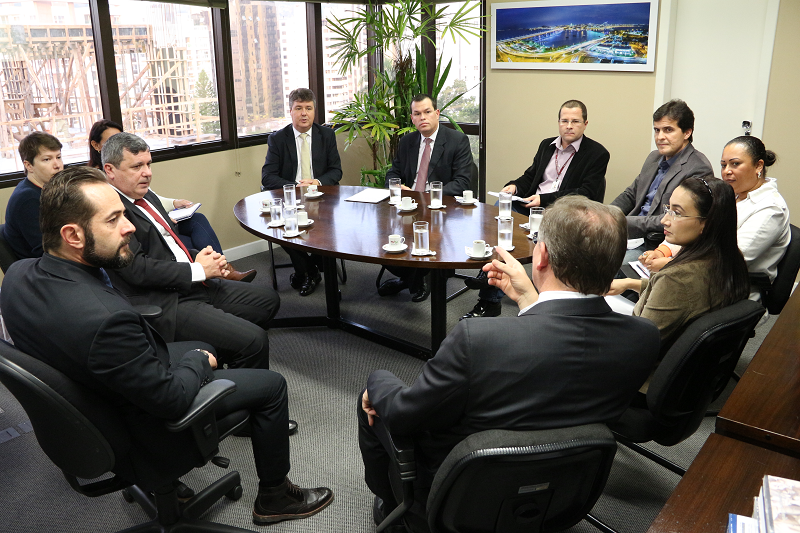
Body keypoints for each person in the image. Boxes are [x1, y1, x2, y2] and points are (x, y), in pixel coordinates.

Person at [0, 167, 333, 525]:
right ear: (73, 235)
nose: (128, 227)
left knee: (204, 342)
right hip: (137, 429)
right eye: (113, 220)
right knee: (269, 385)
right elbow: (171, 400)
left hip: (97, 399)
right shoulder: (108, 320)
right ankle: (275, 497)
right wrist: (196, 361)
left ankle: (172, 484)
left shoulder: (18, 276)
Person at [359, 196, 660, 532]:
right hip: (562, 490)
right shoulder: (644, 338)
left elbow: (403, 415)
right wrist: (529, 300)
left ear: (541, 255)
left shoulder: (477, 339)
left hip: (459, 496)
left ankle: (401, 509)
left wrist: (376, 381)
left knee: (373, 396)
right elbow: (565, 354)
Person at [100, 132, 281, 371]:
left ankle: (218, 346)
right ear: (110, 170)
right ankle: (233, 384)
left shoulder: (146, 195)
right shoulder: (112, 211)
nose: (147, 173)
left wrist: (198, 256)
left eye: (148, 164)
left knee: (268, 301)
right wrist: (197, 269)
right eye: (137, 166)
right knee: (254, 340)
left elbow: (167, 244)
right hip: (166, 301)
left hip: (191, 282)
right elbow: (137, 270)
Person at [461, 99, 610, 319]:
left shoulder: (597, 153)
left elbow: (586, 193)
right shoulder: (546, 145)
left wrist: (544, 199)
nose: (569, 126)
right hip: (532, 205)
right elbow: (531, 176)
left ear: (585, 123)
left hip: (562, 214)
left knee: (510, 238)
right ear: (558, 122)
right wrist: (514, 186)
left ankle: (489, 296)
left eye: (575, 121)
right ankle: (489, 276)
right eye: (564, 121)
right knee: (500, 213)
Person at [87, 119, 256, 282]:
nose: (147, 172)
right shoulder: (99, 184)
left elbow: (151, 197)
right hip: (146, 231)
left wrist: (173, 204)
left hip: (158, 215)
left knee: (198, 219)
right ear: (96, 146)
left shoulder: (137, 182)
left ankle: (221, 267)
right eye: (111, 140)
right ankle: (218, 270)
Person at [609, 177, 750, 356]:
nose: (664, 221)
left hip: (644, 373)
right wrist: (630, 283)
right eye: (668, 209)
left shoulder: (676, 278)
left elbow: (636, 345)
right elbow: (683, 300)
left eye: (677, 212)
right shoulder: (729, 257)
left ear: (706, 223)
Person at [641, 136, 790, 302]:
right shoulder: (730, 194)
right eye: (723, 165)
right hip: (692, 271)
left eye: (735, 164)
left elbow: (729, 258)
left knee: (648, 299)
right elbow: (687, 226)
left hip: (728, 290)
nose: (726, 171)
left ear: (758, 166)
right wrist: (662, 251)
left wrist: (670, 264)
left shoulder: (771, 209)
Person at [378, 94, 474, 302]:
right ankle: (413, 278)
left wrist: (427, 196)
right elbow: (392, 173)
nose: (423, 117)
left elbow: (462, 182)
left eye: (427, 112)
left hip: (441, 209)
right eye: (417, 114)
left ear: (437, 114)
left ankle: (414, 279)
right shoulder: (407, 142)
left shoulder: (457, 141)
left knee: (422, 236)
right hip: (407, 205)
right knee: (381, 237)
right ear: (412, 118)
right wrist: (396, 186)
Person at [261, 88, 342, 296]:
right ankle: (309, 270)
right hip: (291, 200)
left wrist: (316, 181)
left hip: (322, 198)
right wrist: (295, 186)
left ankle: (306, 270)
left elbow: (336, 171)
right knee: (284, 228)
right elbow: (267, 177)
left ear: (315, 111)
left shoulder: (327, 135)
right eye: (299, 108)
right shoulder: (278, 139)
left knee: (330, 226)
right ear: (290, 111)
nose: (304, 113)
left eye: (308, 108)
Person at [610, 99, 713, 263]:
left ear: (687, 133)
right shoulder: (654, 157)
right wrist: (607, 213)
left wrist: (621, 222)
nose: (660, 137)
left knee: (609, 265)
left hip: (656, 244)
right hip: (628, 235)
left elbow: (675, 219)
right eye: (657, 130)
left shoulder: (699, 168)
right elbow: (631, 194)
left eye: (668, 130)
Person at [3, 132, 63, 259]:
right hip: (42, 271)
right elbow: (47, 251)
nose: (57, 165)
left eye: (58, 157)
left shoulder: (47, 189)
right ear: (29, 165)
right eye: (47, 159)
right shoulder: (28, 199)